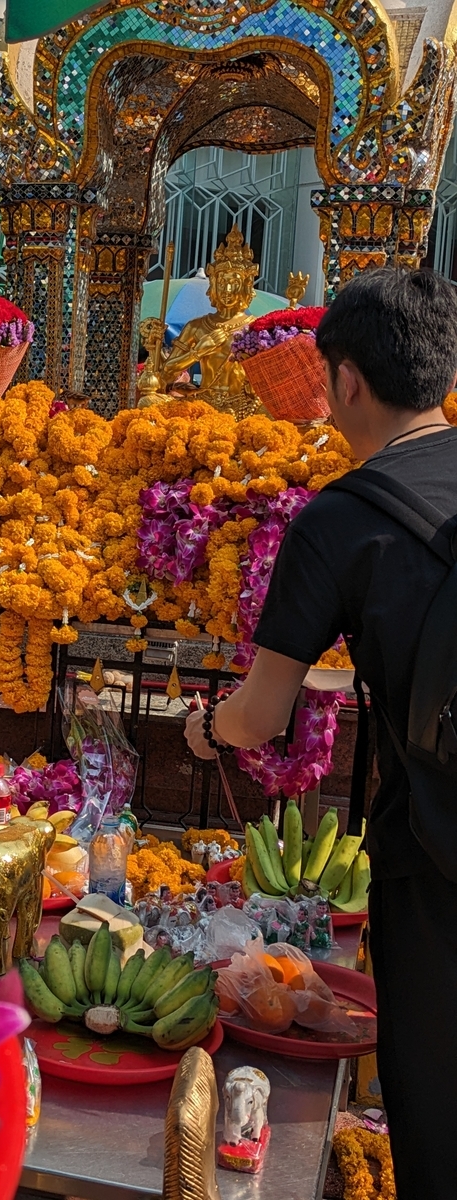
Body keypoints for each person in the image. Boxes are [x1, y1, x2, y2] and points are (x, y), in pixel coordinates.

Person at [185, 265, 457, 1199]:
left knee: (438, 1105)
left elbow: (262, 715)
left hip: (438, 853)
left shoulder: (342, 519)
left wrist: (207, 728)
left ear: (343, 379)